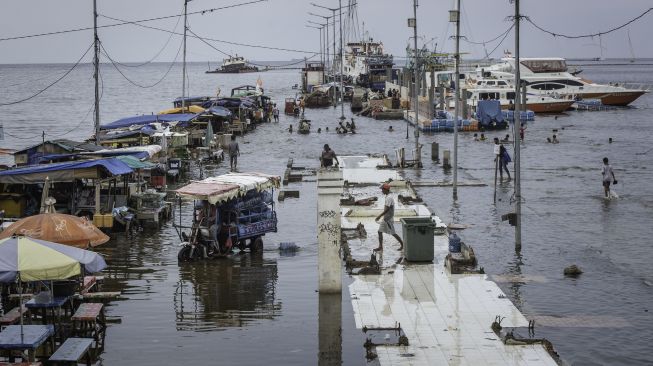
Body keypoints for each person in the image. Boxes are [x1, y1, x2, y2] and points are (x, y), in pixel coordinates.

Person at [374, 183, 404, 252]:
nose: (381, 191)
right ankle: (380, 247)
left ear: (385, 190)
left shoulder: (389, 198)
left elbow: (386, 209)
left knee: (393, 233)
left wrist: (379, 216)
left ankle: (402, 244)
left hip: (388, 219)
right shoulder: (388, 196)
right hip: (386, 218)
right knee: (379, 231)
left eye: (382, 189)